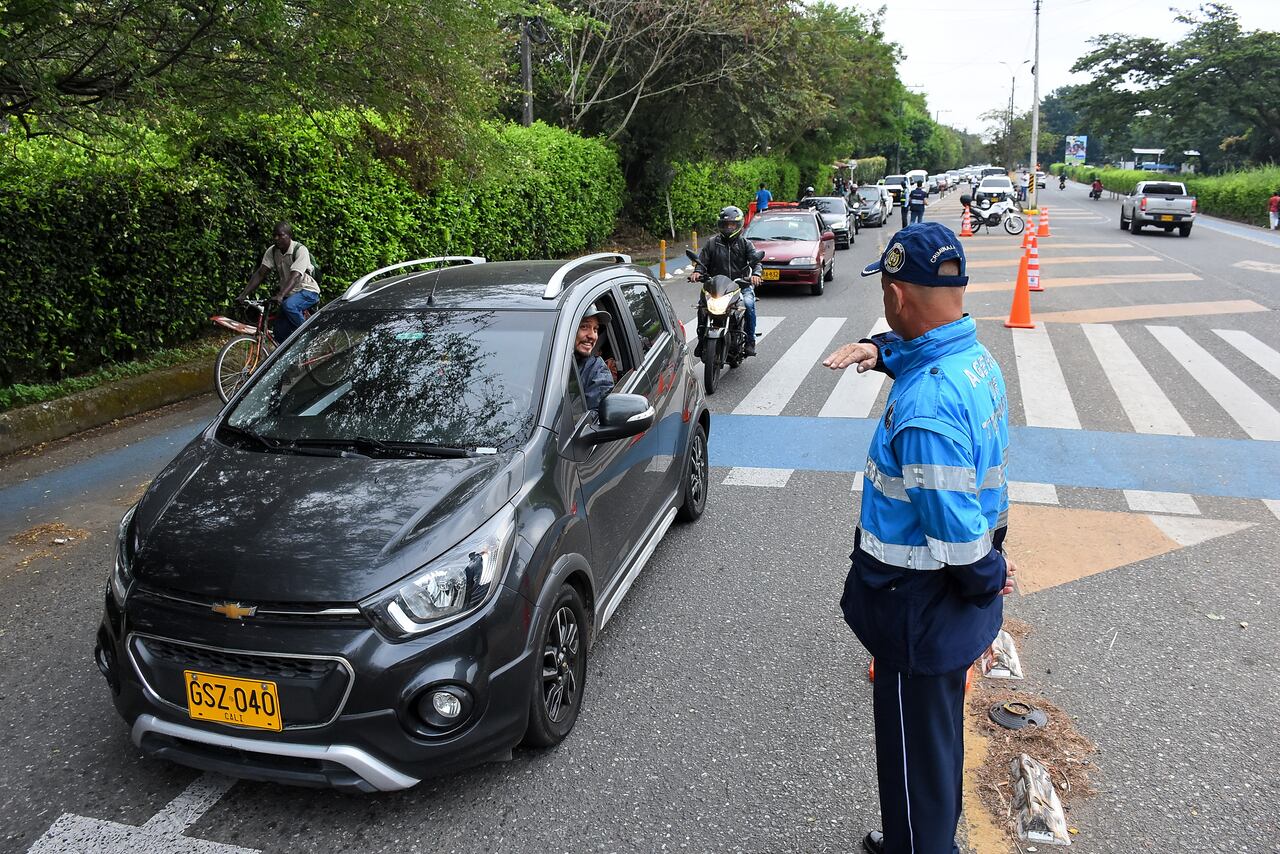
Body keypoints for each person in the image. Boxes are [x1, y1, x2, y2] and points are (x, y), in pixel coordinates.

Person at [821, 222, 1017, 854]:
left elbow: (954, 536)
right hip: (943, 607)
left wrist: (989, 575)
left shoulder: (927, 407)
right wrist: (878, 351)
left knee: (911, 760)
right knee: (933, 751)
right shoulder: (974, 360)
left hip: (917, 607)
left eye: (887, 294)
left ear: (898, 297)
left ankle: (919, 845)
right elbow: (926, 349)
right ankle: (923, 836)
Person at [691, 205, 763, 357]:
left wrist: (756, 274)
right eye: (726, 225)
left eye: (732, 224)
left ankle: (750, 341)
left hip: (740, 285)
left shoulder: (745, 244)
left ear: (738, 225)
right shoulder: (712, 243)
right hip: (715, 287)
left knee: (749, 305)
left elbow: (756, 262)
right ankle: (701, 340)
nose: (729, 228)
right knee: (702, 308)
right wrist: (697, 272)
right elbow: (702, 262)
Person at [238, 221, 321, 343]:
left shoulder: (300, 250)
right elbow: (261, 273)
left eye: (280, 235)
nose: (276, 238)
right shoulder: (272, 251)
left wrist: (281, 295)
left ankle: (308, 337)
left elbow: (295, 275)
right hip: (289, 294)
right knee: (279, 332)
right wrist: (244, 294)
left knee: (289, 305)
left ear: (289, 236)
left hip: (308, 291)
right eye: (274, 235)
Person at [574, 307, 614, 412]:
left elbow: (591, 420)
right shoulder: (541, 364)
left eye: (595, 329)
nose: (593, 336)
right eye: (584, 327)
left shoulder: (597, 370)